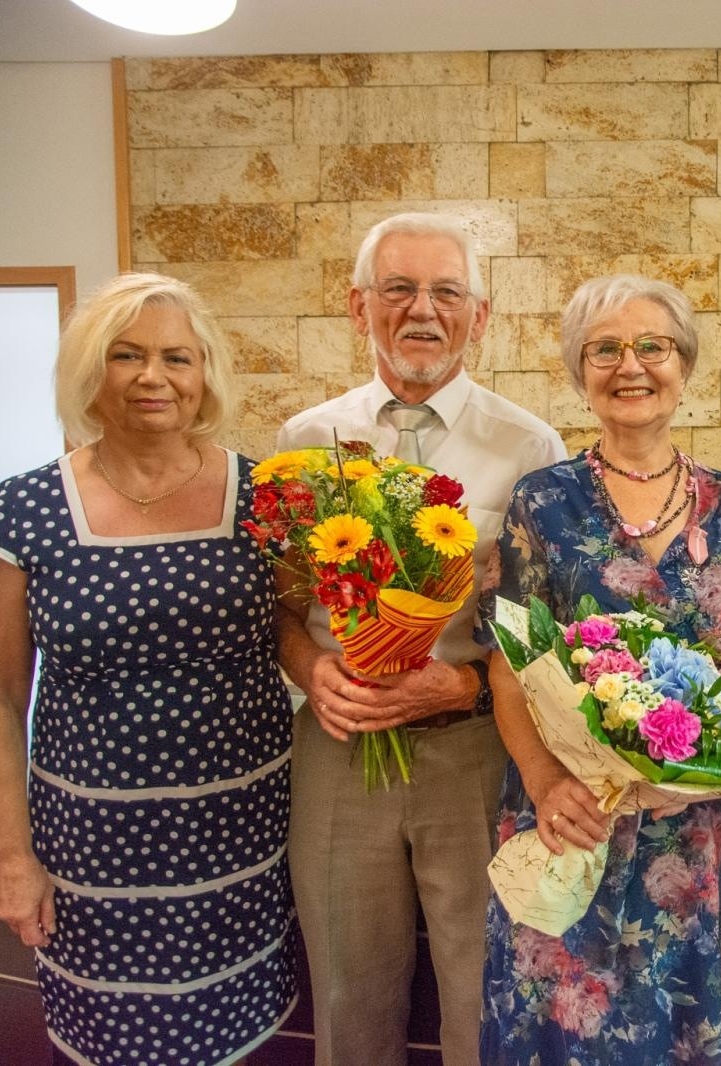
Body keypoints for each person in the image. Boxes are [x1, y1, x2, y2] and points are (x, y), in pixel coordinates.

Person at [0, 273, 296, 1065]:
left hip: (242, 841)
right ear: (90, 371)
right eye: (127, 355)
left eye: (177, 357)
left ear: (205, 373)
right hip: (93, 852)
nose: (154, 377)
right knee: (112, 1041)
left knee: (242, 1036)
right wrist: (9, 857)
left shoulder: (268, 498)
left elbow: (290, 632)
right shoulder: (23, 512)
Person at [473, 274, 721, 1064]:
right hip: (576, 819)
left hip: (704, 835)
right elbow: (510, 665)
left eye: (652, 345)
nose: (631, 365)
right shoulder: (540, 503)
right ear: (580, 371)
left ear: (683, 364)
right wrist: (548, 783)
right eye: (605, 349)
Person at [274, 212, 565, 1066]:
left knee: (484, 992)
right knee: (348, 995)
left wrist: (466, 686)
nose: (421, 310)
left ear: (480, 315)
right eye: (398, 289)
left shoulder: (530, 448)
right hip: (339, 750)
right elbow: (285, 609)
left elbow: (538, 630)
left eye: (446, 291)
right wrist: (311, 668)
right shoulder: (304, 442)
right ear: (357, 306)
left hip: (473, 754)